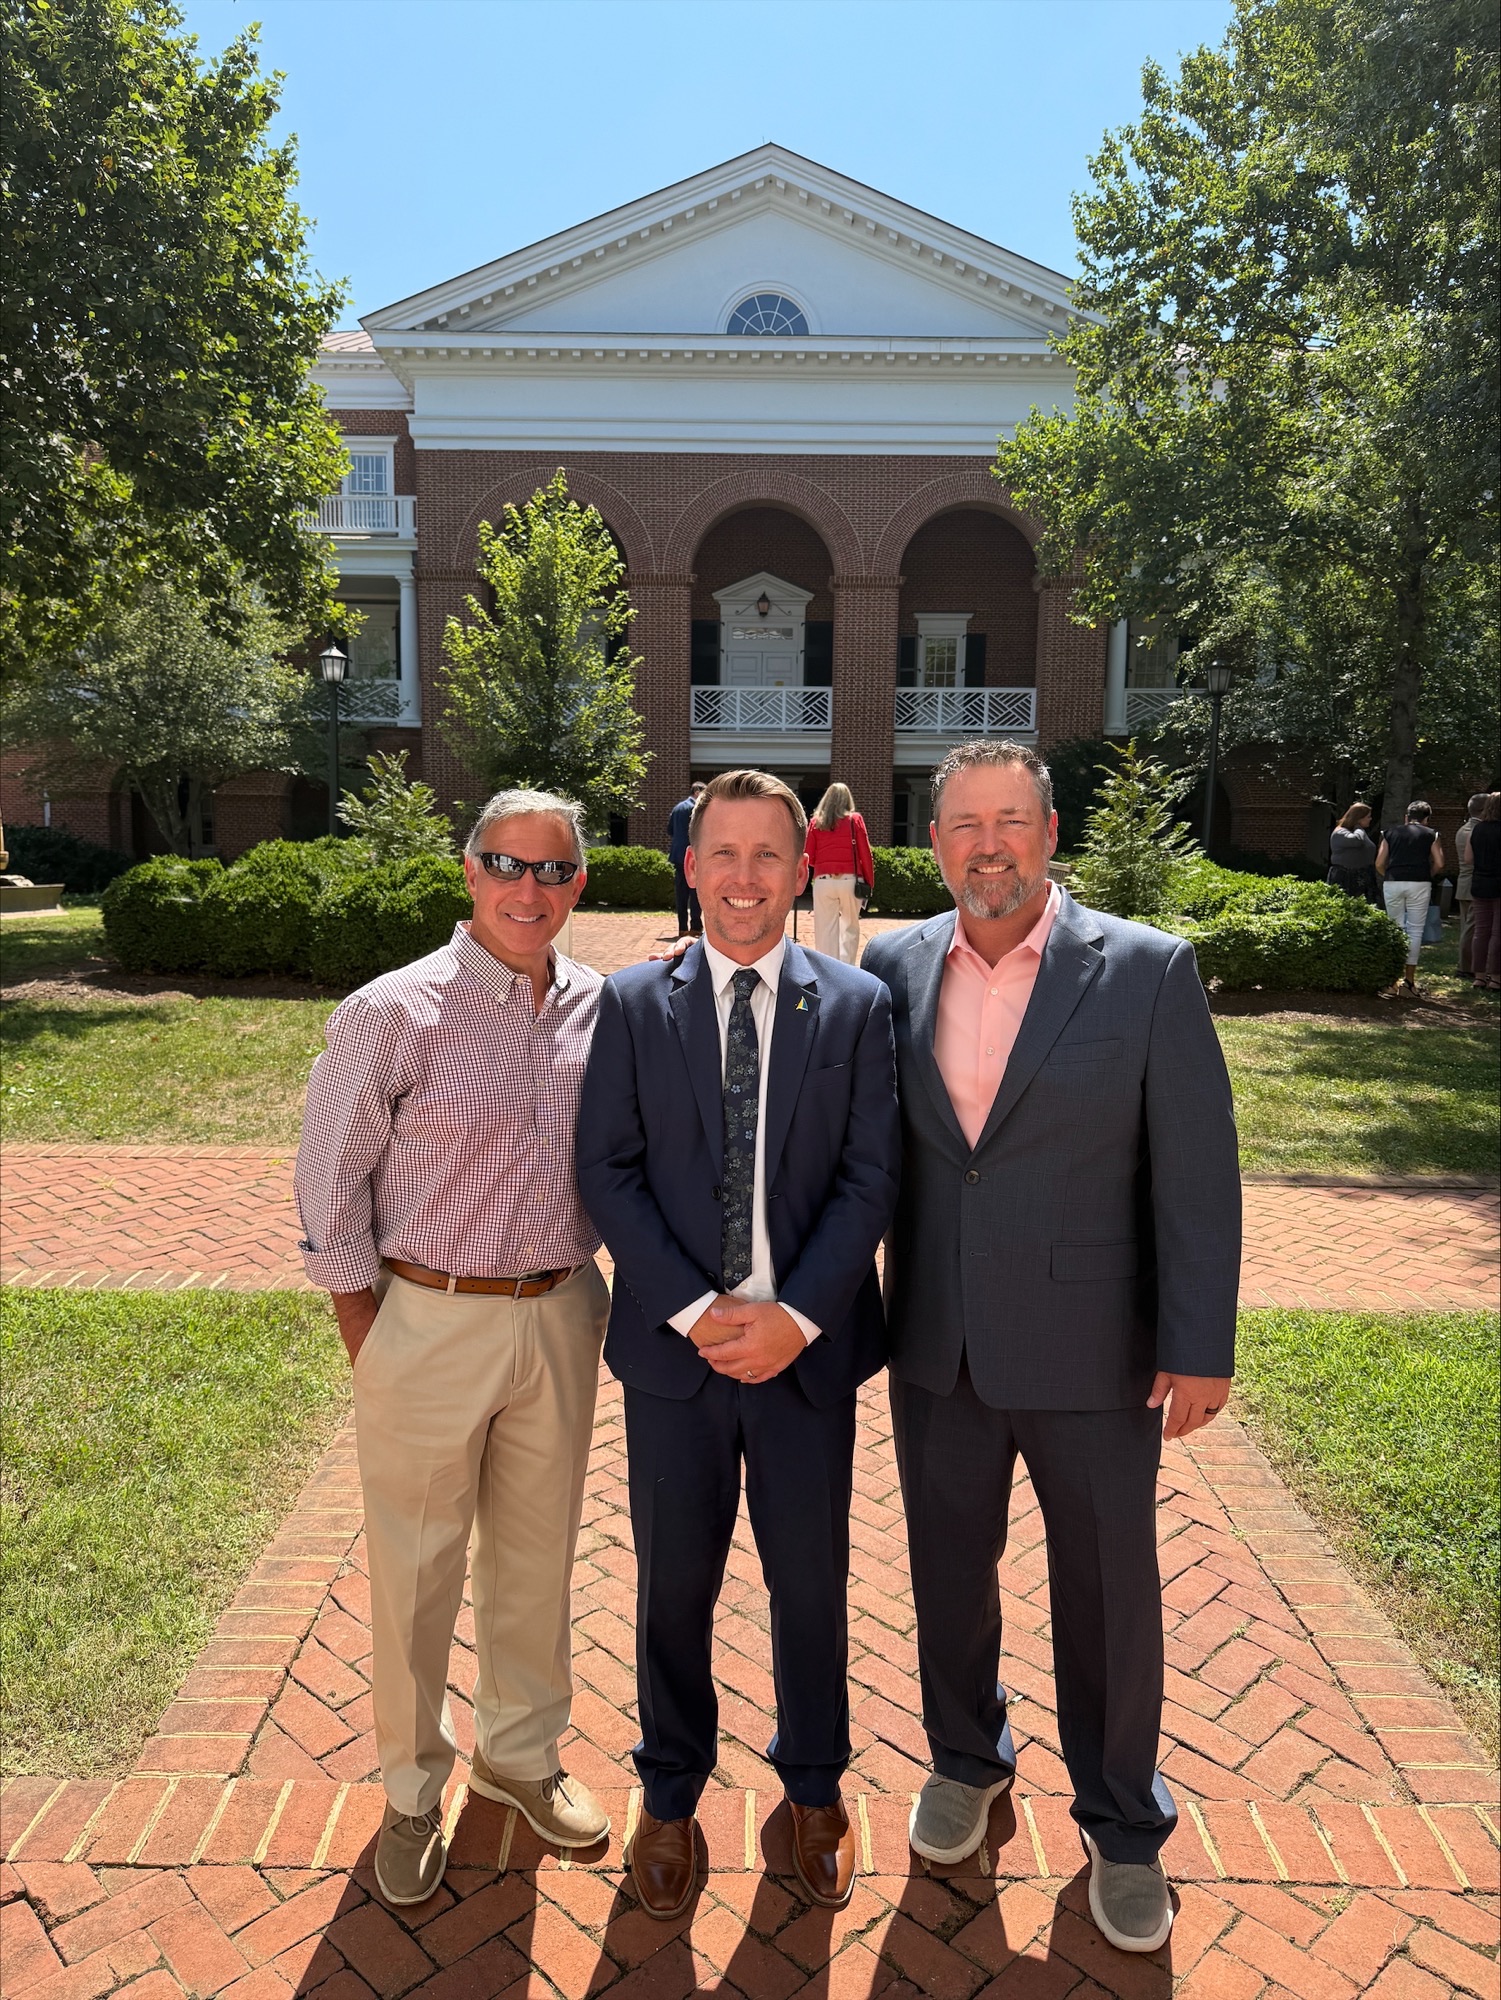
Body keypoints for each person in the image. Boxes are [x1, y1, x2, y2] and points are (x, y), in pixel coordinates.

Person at [861, 739, 1240, 1958]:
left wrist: (1198, 1343)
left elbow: (1197, 1177)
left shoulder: (1143, 970)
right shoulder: (891, 964)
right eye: (964, 823)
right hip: (940, 1345)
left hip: (1093, 1352)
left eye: (1009, 821)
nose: (987, 844)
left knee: (1109, 1596)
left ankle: (1124, 1826)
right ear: (935, 844)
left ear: (1049, 829)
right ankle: (968, 1757)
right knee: (947, 1580)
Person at [576, 768, 900, 1919]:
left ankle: (813, 1785)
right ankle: (668, 1791)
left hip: (805, 1357)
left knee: (809, 1580)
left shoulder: (855, 1006)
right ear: (689, 865)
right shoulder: (629, 1001)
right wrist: (691, 1309)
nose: (747, 877)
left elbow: (870, 1178)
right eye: (725, 853)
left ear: (804, 867)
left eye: (771, 854)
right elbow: (605, 1170)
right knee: (674, 1583)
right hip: (677, 1356)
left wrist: (796, 1315)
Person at [294, 789, 612, 1908]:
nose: (531, 889)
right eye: (507, 864)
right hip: (424, 1315)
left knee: (536, 1556)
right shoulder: (396, 1010)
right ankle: (412, 1786)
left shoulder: (600, 1012)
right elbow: (331, 1177)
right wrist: (367, 1331)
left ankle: (518, 1757)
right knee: (416, 1568)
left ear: (580, 883)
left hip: (562, 1309)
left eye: (555, 870)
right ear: (468, 872)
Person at [1376, 802, 1445, 993]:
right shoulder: (1432, 834)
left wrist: (1388, 875)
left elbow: (1380, 862)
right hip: (1419, 882)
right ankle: (1409, 981)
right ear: (1426, 818)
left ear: (1406, 817)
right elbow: (1439, 863)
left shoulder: (1389, 833)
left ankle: (1391, 981)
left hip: (1393, 881)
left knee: (1395, 927)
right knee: (1415, 930)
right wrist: (1427, 874)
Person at [804, 781, 876, 963]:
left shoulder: (816, 822)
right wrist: (869, 882)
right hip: (850, 881)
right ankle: (847, 969)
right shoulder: (855, 820)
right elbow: (865, 854)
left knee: (825, 929)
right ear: (847, 800)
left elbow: (809, 856)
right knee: (850, 928)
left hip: (823, 881)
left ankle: (828, 969)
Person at [1468, 792, 1501, 992]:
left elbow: (1468, 858)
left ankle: (1479, 976)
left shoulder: (1478, 829)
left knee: (1481, 932)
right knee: (1498, 933)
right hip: (1499, 884)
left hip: (1479, 883)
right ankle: (1496, 977)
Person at [1455, 793, 1489, 978]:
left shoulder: (1465, 828)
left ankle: (1465, 965)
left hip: (1465, 884)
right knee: (1471, 929)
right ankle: (1465, 968)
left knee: (1468, 928)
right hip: (1472, 884)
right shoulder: (1474, 831)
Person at [667, 780, 706, 937]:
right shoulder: (696, 809)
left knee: (681, 894)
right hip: (693, 857)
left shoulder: (677, 808)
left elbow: (670, 830)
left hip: (677, 856)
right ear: (697, 792)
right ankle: (695, 926)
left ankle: (682, 928)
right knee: (696, 892)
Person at [1327, 803, 1379, 901]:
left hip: (1363, 876)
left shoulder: (1359, 832)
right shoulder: (1340, 832)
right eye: (1368, 817)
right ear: (1358, 818)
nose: (1370, 819)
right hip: (1346, 877)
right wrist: (1358, 827)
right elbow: (1356, 841)